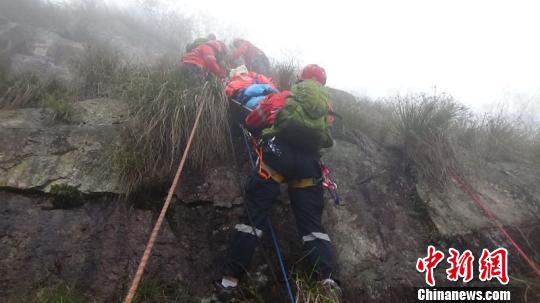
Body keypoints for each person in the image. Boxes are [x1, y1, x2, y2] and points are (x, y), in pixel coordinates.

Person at [217, 64, 340, 298]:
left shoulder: (283, 96)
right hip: (308, 166)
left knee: (253, 216)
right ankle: (327, 279)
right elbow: (326, 140)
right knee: (312, 224)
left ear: (299, 79)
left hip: (276, 158)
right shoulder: (326, 109)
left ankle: (230, 281)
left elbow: (254, 120)